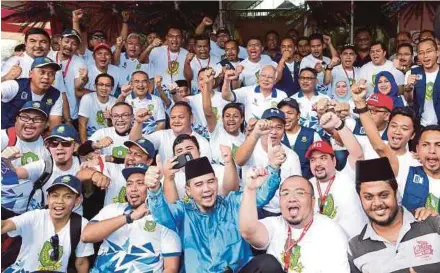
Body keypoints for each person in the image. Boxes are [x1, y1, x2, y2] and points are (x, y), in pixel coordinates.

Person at [145, 148, 286, 272]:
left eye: (210, 182)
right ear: (188, 191)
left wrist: (273, 166)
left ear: (217, 182)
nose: (206, 189)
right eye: (199, 184)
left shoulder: (232, 203)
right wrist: (154, 189)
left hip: (239, 270)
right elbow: (161, 215)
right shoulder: (183, 212)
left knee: (268, 263)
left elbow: (260, 196)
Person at [353, 82, 440, 213]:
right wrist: (360, 104)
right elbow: (379, 145)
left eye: (404, 128)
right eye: (394, 126)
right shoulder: (372, 145)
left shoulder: (416, 162)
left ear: (412, 135)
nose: (397, 131)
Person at [239, 175, 350, 273]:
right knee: (266, 263)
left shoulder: (331, 233)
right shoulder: (277, 223)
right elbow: (249, 231)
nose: (291, 198)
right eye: (285, 193)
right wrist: (250, 189)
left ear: (312, 201)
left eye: (300, 193)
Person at [81, 164, 181, 273]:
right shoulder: (112, 209)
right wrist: (129, 217)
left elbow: (171, 268)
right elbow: (86, 236)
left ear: (152, 186)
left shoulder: (164, 218)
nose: (133, 189)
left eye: (140, 183)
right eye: (129, 184)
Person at [349, 157, 440, 273]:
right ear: (360, 199)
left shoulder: (432, 223)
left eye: (384, 195)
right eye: (368, 197)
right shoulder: (355, 248)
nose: (377, 203)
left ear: (396, 194)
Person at [1, 175, 94, 273]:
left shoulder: (82, 225)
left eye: (67, 196)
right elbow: (5, 225)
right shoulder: (35, 216)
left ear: (77, 200)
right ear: (48, 198)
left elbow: (81, 262)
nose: (59, 201)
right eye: (55, 195)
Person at [306, 111, 367, 237]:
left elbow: (357, 154)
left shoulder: (348, 175)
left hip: (355, 244)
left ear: (334, 161)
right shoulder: (307, 186)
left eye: (323, 158)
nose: (317, 163)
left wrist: (338, 124)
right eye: (313, 160)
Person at [235, 108, 301, 217]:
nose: (274, 132)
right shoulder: (251, 147)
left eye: (279, 127)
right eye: (269, 127)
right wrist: (255, 133)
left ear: (284, 130)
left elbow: (296, 187)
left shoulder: (292, 156)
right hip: (251, 207)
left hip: (278, 213)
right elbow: (239, 160)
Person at [161, 134, 238, 202]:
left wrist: (229, 162)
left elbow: (231, 193)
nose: (185, 153)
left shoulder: (218, 170)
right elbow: (173, 208)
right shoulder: (171, 177)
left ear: (199, 152)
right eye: (179, 151)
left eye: (189, 148)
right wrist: (169, 179)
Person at [130, 101, 212, 164]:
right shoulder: (162, 135)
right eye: (173, 117)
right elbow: (136, 143)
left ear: (191, 118)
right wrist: (138, 122)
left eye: (181, 117)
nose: (176, 121)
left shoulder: (201, 142)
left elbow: (205, 168)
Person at [1, 56, 63, 130]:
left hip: (31, 137)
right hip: (4, 133)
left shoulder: (55, 95)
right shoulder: (15, 85)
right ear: (30, 74)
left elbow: (54, 125)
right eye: (42, 72)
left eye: (51, 74)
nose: (46, 77)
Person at [47, 29, 87, 127]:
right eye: (67, 41)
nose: (69, 46)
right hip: (48, 110)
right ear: (60, 41)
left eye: (74, 44)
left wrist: (83, 80)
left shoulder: (79, 62)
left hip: (71, 113)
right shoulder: (48, 57)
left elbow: (77, 86)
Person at [222, 65, 287, 123]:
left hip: (272, 134)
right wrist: (227, 80)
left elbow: (285, 118)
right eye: (263, 76)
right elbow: (227, 96)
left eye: (270, 77)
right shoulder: (248, 91)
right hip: (250, 133)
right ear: (258, 77)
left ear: (275, 80)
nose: (266, 79)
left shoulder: (282, 96)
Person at [277, 97, 321, 178]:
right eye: (282, 113)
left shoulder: (312, 135)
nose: (285, 117)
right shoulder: (275, 136)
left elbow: (321, 161)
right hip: (282, 187)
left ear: (298, 115)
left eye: (290, 113)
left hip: (308, 184)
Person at [1, 101, 51, 167]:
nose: (30, 122)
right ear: (16, 119)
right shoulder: (3, 137)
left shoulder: (50, 145)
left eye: (37, 119)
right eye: (25, 117)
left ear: (46, 124)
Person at [184, 68, 229, 139]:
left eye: (207, 78)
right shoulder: (191, 99)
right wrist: (174, 93)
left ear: (213, 82)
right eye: (201, 79)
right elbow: (178, 101)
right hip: (199, 139)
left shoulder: (224, 98)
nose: (204, 82)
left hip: (221, 137)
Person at [404, 38, 440, 127]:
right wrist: (408, 87)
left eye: (429, 51)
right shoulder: (412, 73)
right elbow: (409, 100)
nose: (425, 56)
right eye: (421, 53)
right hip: (420, 124)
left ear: (437, 52)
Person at [78, 73, 117, 142]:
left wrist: (109, 119)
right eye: (101, 84)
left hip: (108, 139)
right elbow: (82, 124)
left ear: (112, 88)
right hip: (91, 137)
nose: (104, 88)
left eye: (107, 85)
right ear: (95, 86)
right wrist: (85, 147)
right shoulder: (87, 98)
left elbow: (115, 128)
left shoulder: (115, 102)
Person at [291, 68, 330, 133]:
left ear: (316, 81)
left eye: (309, 78)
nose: (305, 81)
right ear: (298, 80)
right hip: (300, 137)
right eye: (302, 78)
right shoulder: (292, 100)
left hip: (322, 137)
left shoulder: (324, 98)